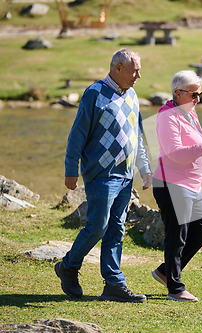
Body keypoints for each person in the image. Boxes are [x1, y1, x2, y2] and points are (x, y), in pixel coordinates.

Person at [55, 48, 152, 303]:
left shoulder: (132, 95)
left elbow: (137, 136)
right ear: (117, 68)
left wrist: (145, 168)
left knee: (116, 229)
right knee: (98, 226)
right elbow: (77, 134)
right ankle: (68, 267)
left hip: (125, 174)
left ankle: (113, 284)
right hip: (101, 174)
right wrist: (70, 169)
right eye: (134, 70)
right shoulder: (94, 93)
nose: (138, 76)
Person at [151, 70, 202, 302]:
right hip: (171, 184)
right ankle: (175, 289)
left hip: (192, 185)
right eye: (194, 94)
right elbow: (175, 153)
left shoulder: (189, 113)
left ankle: (165, 272)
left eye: (200, 94)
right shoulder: (168, 117)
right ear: (178, 93)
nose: (198, 99)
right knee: (177, 236)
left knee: (201, 233)